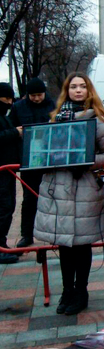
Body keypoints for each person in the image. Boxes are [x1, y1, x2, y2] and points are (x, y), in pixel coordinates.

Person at [34, 73, 104, 315]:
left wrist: (86, 162)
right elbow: (40, 151)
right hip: (57, 189)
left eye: (82, 86)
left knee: (81, 245)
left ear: (89, 90)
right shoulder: (54, 121)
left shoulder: (97, 122)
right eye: (73, 86)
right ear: (66, 91)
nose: (78, 90)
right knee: (64, 245)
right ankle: (66, 290)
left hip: (84, 190)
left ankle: (81, 291)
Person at [9, 78, 55, 249]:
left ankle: (53, 233)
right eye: (33, 95)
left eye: (39, 95)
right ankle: (26, 234)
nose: (36, 98)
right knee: (29, 198)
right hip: (29, 159)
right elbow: (12, 128)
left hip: (50, 160)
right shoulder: (18, 107)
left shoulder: (53, 106)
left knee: (52, 197)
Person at [0, 82, 21, 264]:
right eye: (6, 99)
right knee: (3, 207)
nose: (9, 103)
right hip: (2, 170)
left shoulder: (4, 116)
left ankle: (3, 244)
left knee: (8, 207)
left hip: (8, 170)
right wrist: (14, 132)